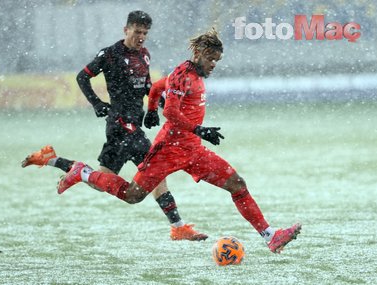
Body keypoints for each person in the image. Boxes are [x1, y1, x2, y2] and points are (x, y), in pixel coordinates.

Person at [54, 28, 301, 253]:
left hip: (193, 151)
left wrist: (150, 109)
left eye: (217, 60)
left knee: (237, 183)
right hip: (168, 150)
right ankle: (81, 172)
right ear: (198, 53)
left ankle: (270, 236)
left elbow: (157, 87)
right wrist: (198, 129)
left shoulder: (188, 74)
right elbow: (170, 112)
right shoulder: (184, 75)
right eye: (210, 59)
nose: (214, 64)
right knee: (132, 195)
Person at [21, 10, 207, 242]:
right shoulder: (111, 54)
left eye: (145, 33)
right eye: (137, 31)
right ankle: (178, 227)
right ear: (126, 29)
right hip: (121, 124)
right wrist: (97, 103)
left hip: (130, 126)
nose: (141, 37)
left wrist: (156, 107)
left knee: (102, 179)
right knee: (156, 171)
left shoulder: (145, 55)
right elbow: (82, 76)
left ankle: (55, 160)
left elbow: (148, 86)